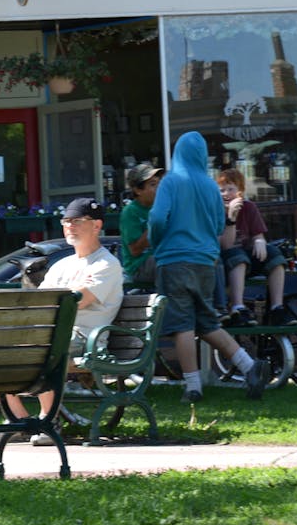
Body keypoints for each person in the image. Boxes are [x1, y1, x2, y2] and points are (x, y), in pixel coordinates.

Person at [0, 197, 123, 447]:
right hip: (51, 331)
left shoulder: (107, 264)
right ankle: (20, 421)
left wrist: (52, 304)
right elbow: (42, 302)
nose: (69, 226)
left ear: (97, 225)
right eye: (66, 221)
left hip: (85, 337)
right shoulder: (62, 264)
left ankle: (49, 420)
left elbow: (76, 302)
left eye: (77, 221)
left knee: (42, 346)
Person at [149, 132, 270, 403]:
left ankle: (193, 387)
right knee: (207, 322)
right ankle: (250, 367)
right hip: (206, 262)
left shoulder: (171, 182)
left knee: (182, 326)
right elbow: (219, 226)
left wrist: (157, 241)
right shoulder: (208, 185)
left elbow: (157, 218)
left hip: (174, 260)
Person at [216, 167, 287, 324]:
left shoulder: (249, 207)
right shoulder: (215, 210)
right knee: (238, 256)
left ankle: (277, 308)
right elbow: (226, 245)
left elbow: (258, 235)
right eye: (222, 190)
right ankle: (237, 307)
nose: (226, 194)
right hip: (224, 262)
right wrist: (231, 218)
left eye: (230, 189)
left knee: (274, 254)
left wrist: (260, 241)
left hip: (245, 259)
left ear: (240, 191)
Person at [119, 163, 165, 291]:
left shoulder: (161, 207)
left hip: (159, 256)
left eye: (158, 183)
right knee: (170, 262)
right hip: (139, 265)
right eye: (152, 184)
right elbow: (135, 250)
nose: (158, 188)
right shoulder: (130, 212)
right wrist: (155, 222)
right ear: (138, 190)